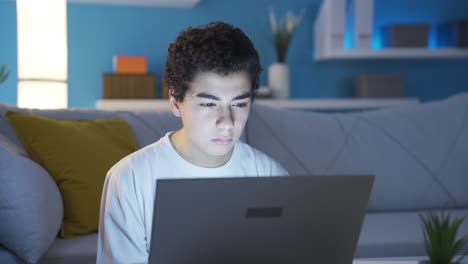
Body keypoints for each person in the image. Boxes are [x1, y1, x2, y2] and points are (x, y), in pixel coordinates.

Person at [96, 21, 288, 263]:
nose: (227, 122)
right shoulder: (130, 177)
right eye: (209, 104)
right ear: (176, 101)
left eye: (239, 104)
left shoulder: (269, 175)